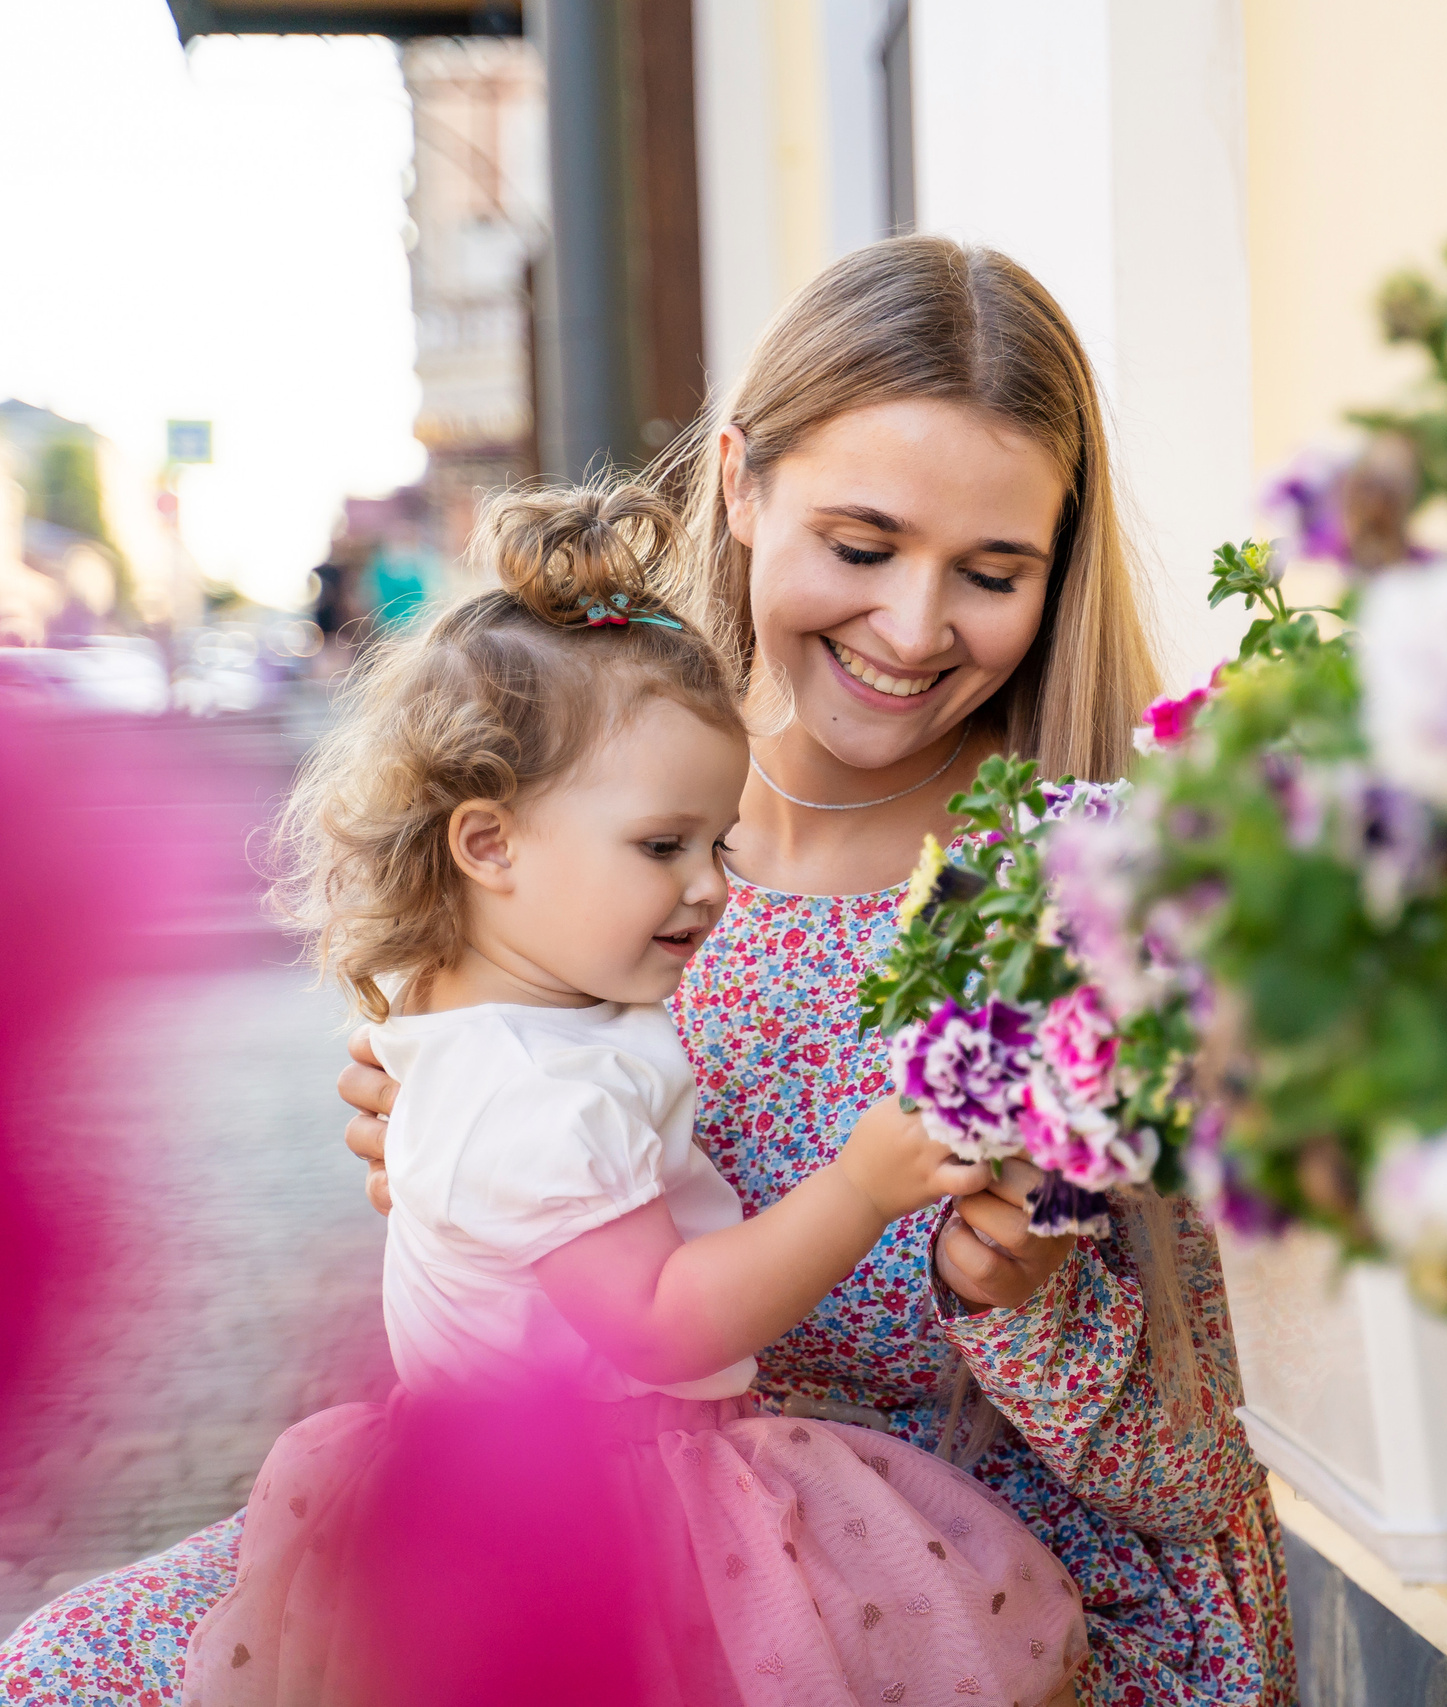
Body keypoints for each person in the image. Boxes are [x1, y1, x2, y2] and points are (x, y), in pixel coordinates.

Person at [0, 237, 1292, 1707]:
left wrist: (1027, 1299)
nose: (912, 624)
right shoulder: (590, 840)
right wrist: (447, 1141)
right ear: (740, 482)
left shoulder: (1074, 876)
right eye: (861, 542)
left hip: (946, 1600)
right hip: (611, 1536)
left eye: (993, 570)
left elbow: (1187, 1475)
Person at [186, 482, 1088, 1706]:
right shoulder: (530, 1094)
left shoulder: (512, 1019)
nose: (712, 888)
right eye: (662, 847)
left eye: (717, 843)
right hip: (609, 1507)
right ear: (489, 846)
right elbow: (664, 1323)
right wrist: (862, 1187)